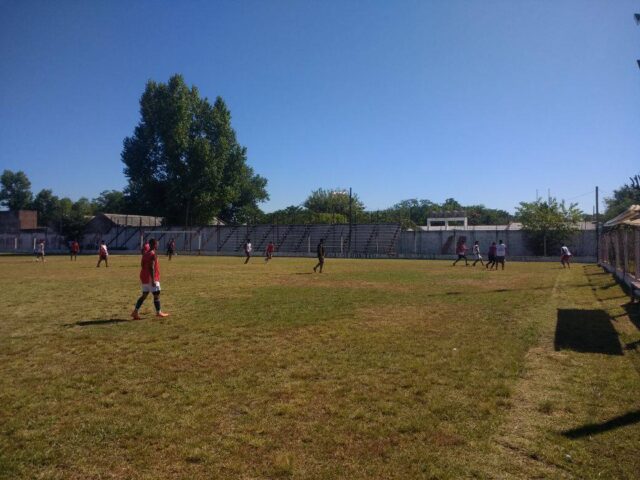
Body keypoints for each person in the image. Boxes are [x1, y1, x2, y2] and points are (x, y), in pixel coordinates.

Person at [131, 238, 169, 319]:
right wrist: (153, 280)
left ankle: (135, 312)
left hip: (144, 277)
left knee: (144, 295)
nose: (158, 245)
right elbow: (151, 267)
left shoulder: (145, 253)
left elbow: (142, 264)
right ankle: (159, 312)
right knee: (156, 294)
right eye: (157, 244)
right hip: (150, 277)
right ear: (154, 245)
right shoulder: (152, 254)